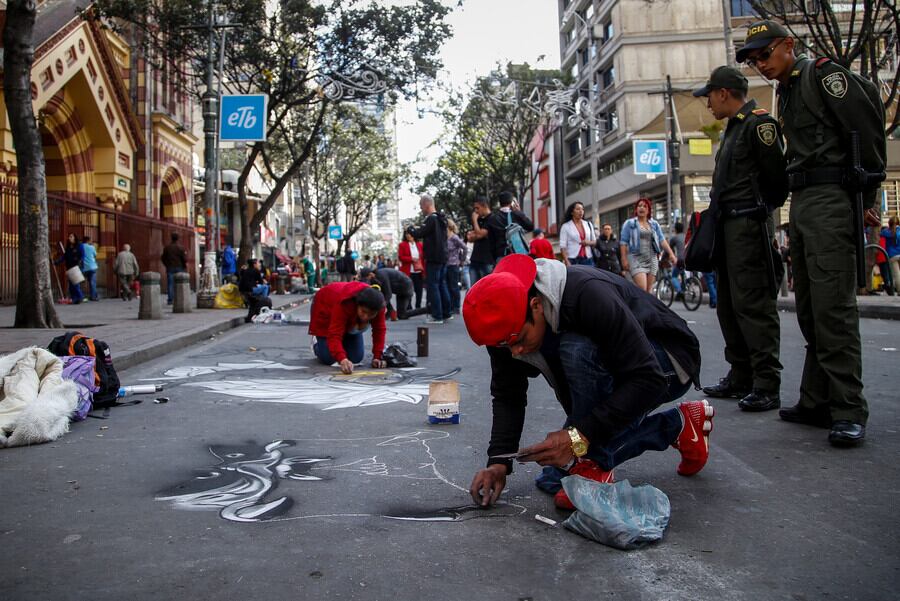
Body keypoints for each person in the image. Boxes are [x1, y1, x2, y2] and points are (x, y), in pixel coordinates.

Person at [737, 20, 887, 445]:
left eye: (764, 55)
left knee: (832, 308)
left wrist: (869, 194)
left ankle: (847, 407)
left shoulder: (824, 75)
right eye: (753, 60)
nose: (760, 65)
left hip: (831, 197)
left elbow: (867, 127)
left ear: (788, 45)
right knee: (809, 308)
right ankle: (817, 399)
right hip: (803, 200)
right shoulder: (787, 89)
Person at [462, 255, 711, 510]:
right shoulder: (506, 331)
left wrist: (578, 436)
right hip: (628, 370)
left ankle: (593, 463)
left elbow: (649, 379)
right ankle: (678, 425)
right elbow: (508, 395)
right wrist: (498, 463)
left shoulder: (586, 294)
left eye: (519, 339)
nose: (515, 351)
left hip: (667, 361)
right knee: (553, 478)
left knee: (577, 349)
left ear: (536, 306)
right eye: (505, 345)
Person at [692, 65, 788, 413]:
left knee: (753, 304)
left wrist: (756, 212)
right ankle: (741, 373)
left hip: (747, 224)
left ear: (723, 93)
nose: (707, 105)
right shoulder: (734, 129)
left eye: (709, 96)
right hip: (727, 227)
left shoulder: (759, 124)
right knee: (729, 304)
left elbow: (777, 181)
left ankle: (766, 382)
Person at [308, 281, 387, 374]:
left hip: (350, 319)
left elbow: (379, 330)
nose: (366, 317)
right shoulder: (346, 302)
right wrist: (342, 359)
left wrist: (377, 357)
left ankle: (343, 340)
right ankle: (317, 342)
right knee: (329, 358)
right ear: (357, 304)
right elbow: (334, 333)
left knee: (356, 358)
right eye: (363, 311)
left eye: (371, 314)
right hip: (325, 306)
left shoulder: (379, 306)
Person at [619, 198, 678, 293]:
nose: (641, 208)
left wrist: (671, 254)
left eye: (644, 206)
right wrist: (624, 259)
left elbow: (662, 240)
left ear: (648, 210)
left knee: (648, 290)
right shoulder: (630, 223)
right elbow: (623, 242)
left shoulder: (654, 224)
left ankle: (645, 307)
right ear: (636, 209)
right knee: (642, 287)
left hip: (652, 258)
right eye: (639, 206)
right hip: (635, 258)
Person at [410, 194, 450, 324]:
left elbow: (420, 233)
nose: (421, 209)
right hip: (443, 256)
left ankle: (437, 315)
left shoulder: (431, 219)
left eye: (421, 206)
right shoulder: (441, 218)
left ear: (427, 205)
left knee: (433, 286)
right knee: (442, 284)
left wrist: (410, 228)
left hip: (433, 257)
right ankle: (446, 313)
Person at [359, 266, 423, 320]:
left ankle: (426, 309)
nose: (367, 280)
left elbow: (388, 294)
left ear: (371, 274)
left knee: (402, 315)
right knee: (381, 294)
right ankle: (390, 311)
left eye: (367, 278)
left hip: (406, 287)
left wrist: (382, 305)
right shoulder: (375, 277)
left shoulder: (381, 275)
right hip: (400, 288)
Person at [485, 191, 534, 262]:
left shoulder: (492, 219)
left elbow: (491, 243)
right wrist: (520, 212)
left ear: (500, 203)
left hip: (502, 256)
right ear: (512, 202)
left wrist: (495, 258)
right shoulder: (517, 215)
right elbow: (530, 226)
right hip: (517, 254)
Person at [466, 196, 495, 284]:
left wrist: (474, 221)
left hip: (486, 260)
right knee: (474, 288)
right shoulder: (480, 220)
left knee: (485, 287)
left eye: (477, 208)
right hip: (475, 259)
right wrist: (477, 234)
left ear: (485, 206)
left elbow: (478, 234)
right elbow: (470, 238)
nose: (476, 211)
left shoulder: (492, 219)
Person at [559, 201, 597, 266]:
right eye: (578, 209)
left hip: (588, 258)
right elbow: (562, 246)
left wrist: (588, 242)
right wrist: (566, 261)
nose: (581, 211)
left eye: (582, 209)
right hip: (572, 259)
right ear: (572, 212)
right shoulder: (566, 226)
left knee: (589, 276)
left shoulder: (588, 224)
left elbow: (595, 241)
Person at [398, 229, 425, 310]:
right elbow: (401, 257)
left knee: (419, 290)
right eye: (406, 234)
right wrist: (411, 259)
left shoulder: (420, 244)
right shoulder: (402, 245)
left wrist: (424, 271)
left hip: (419, 270)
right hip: (408, 271)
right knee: (409, 290)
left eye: (409, 234)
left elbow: (423, 258)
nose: (408, 235)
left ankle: (418, 306)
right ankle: (408, 306)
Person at [446, 219, 467, 315]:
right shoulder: (444, 238)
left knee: (454, 286)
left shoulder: (454, 237)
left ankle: (456, 306)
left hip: (454, 264)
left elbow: (464, 247)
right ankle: (449, 306)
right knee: (447, 286)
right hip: (445, 264)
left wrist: (462, 260)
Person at [56, 233, 84, 304]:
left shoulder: (79, 246)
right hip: (69, 267)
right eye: (69, 237)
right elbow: (64, 257)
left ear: (75, 238)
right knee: (71, 284)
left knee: (75, 283)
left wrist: (79, 263)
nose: (69, 238)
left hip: (76, 267)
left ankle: (79, 297)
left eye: (71, 236)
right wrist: (57, 261)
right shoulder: (68, 247)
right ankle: (74, 298)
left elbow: (82, 256)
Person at [161, 232, 187, 305]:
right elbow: (184, 259)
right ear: (178, 238)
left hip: (170, 267)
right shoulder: (180, 248)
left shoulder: (167, 248)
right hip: (179, 267)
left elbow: (163, 258)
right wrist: (184, 266)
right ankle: (179, 298)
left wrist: (166, 265)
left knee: (170, 284)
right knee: (179, 283)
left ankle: (170, 300)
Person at [881, 216, 900, 289]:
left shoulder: (886, 232)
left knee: (896, 273)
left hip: (892, 255)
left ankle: (899, 289)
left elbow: (880, 233)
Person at [667, 223, 686, 296]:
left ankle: (680, 291)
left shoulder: (675, 238)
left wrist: (663, 259)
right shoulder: (685, 236)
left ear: (676, 229)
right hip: (688, 259)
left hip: (680, 260)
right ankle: (683, 290)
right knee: (682, 274)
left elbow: (668, 250)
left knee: (674, 276)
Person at [80, 236, 99, 301]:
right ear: (88, 241)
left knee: (81, 282)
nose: (91, 242)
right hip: (92, 267)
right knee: (92, 282)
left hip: (84, 267)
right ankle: (93, 296)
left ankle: (81, 296)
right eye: (91, 240)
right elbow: (95, 255)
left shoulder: (81, 246)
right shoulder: (92, 247)